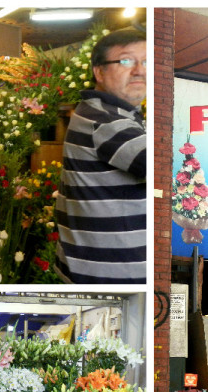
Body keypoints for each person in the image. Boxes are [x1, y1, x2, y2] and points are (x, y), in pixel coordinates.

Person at [55, 26, 146, 284]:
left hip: (97, 269)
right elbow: (166, 171)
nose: (139, 70)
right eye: (126, 60)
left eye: (146, 61)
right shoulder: (105, 122)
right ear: (100, 72)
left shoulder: (109, 114)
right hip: (110, 276)